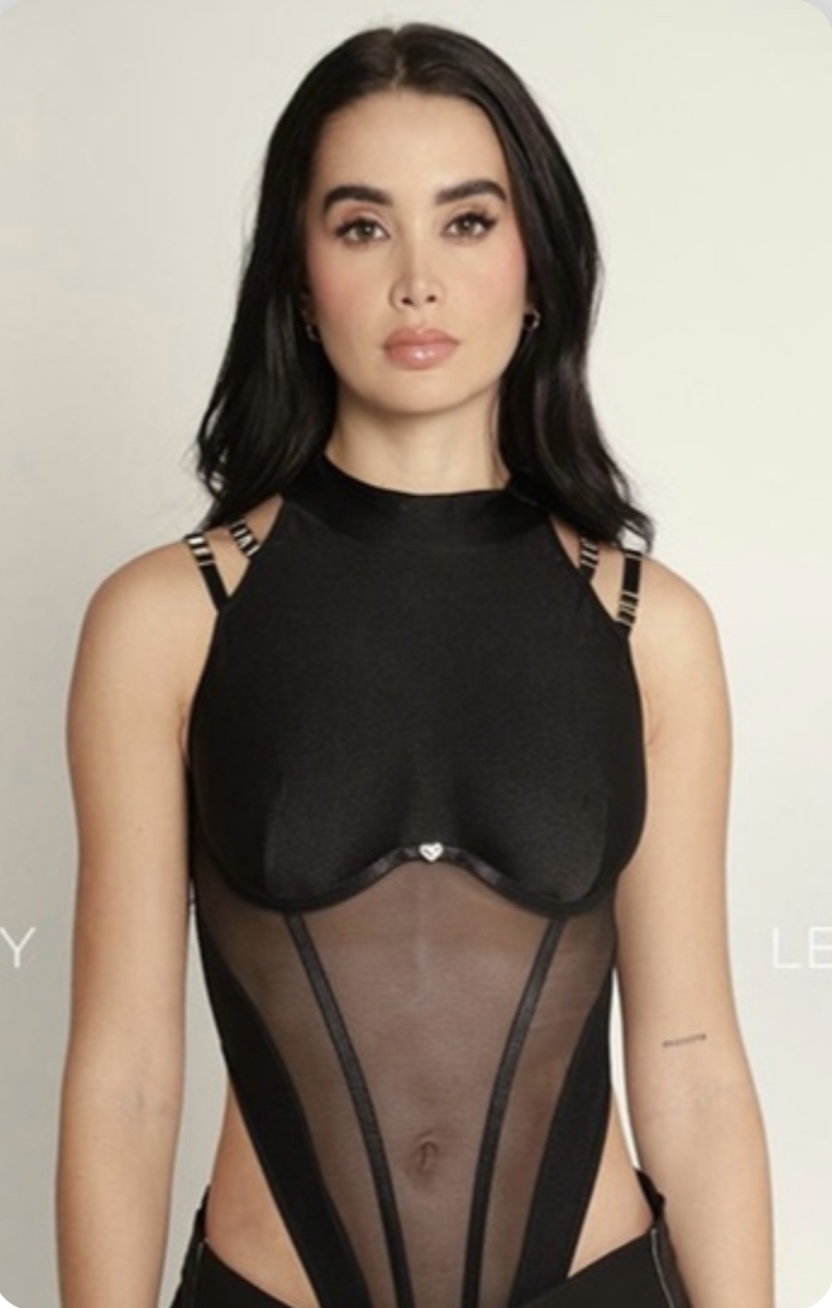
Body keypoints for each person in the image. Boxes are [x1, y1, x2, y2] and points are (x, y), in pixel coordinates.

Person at [55, 22, 774, 1308]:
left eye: (466, 221)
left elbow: (693, 1060)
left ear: (535, 264)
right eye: (361, 226)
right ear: (297, 278)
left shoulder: (648, 627)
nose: (417, 283)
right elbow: (125, 1078)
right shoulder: (167, 620)